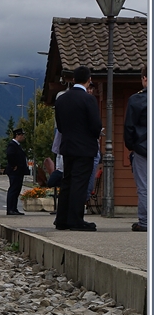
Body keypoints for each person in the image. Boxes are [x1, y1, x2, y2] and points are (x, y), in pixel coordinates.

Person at [53, 66, 103, 231]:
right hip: (85, 148)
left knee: (67, 182)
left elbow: (60, 126)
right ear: (89, 80)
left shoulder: (61, 99)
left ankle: (61, 219)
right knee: (79, 184)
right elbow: (96, 125)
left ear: (73, 79)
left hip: (67, 147)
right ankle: (75, 220)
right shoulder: (88, 100)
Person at [123, 66, 147, 232]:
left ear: (145, 78)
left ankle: (146, 221)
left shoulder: (137, 100)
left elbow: (129, 127)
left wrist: (132, 146)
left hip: (143, 148)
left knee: (144, 186)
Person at [5, 127, 27, 215]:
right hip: (15, 171)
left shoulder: (17, 145)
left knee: (17, 190)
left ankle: (14, 208)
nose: (23, 137)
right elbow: (10, 155)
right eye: (22, 135)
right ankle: (10, 209)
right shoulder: (12, 145)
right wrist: (14, 165)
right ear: (17, 135)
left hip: (19, 171)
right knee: (13, 189)